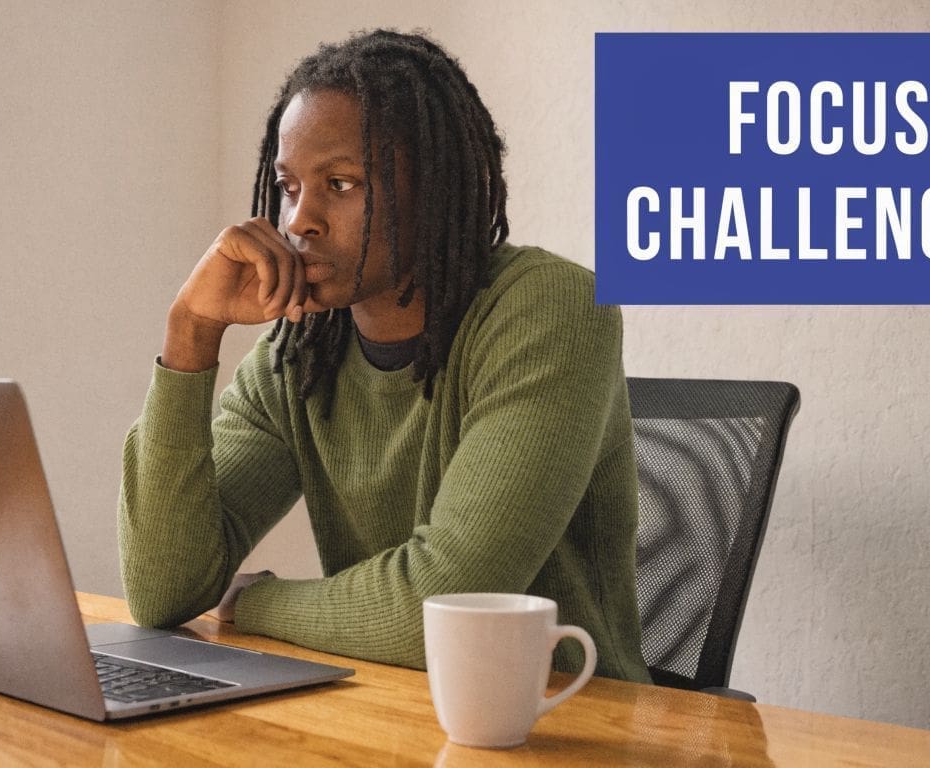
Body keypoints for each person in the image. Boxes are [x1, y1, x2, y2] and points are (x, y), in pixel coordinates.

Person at [119, 29, 649, 682]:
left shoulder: (551, 308)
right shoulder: (302, 351)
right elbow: (163, 590)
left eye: (340, 183)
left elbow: (445, 606)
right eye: (289, 187)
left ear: (434, 187)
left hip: (565, 713)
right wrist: (191, 335)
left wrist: (252, 603)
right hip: (389, 706)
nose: (300, 220)